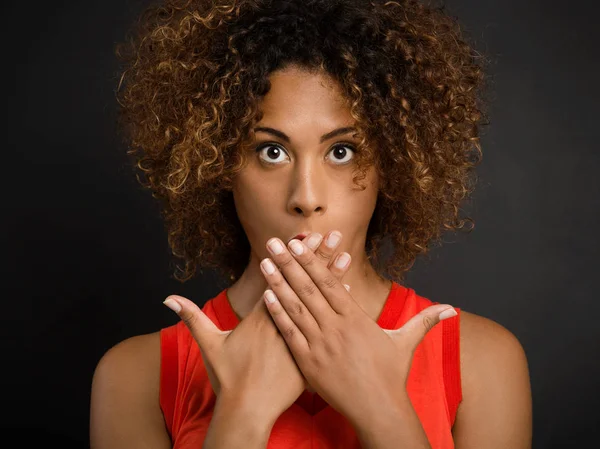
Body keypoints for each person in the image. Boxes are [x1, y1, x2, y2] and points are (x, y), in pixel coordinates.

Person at [90, 0, 532, 447]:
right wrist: (242, 412)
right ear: (218, 165)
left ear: (392, 164)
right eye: (272, 152)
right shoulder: (138, 375)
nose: (306, 198)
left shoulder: (480, 360)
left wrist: (382, 407)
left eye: (341, 151)